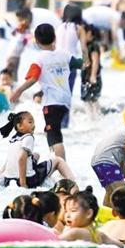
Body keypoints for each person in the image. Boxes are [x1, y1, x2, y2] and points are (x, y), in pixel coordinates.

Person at [11, 24, 79, 160]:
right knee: (49, 131)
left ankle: (62, 167)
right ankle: (54, 161)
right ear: (54, 37)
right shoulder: (65, 55)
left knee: (54, 134)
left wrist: (18, 90)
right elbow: (80, 64)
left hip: (52, 102)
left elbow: (33, 78)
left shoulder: (39, 59)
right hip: (65, 101)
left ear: (37, 41)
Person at [0, 111, 76, 188]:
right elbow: (21, 158)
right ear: (20, 126)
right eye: (30, 122)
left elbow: (9, 159)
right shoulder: (28, 137)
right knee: (58, 160)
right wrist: (23, 183)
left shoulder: (13, 139)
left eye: (33, 122)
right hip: (28, 180)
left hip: (8, 180)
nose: (34, 125)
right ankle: (73, 184)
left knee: (36, 155)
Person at [59, 186, 124, 248]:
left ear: (88, 214)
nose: (67, 215)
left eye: (73, 210)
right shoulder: (98, 234)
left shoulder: (75, 233)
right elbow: (120, 245)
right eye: (66, 211)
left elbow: (55, 243)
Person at [57, 3, 88, 99]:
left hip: (57, 60)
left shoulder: (59, 27)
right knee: (68, 91)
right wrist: (86, 61)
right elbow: (84, 48)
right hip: (71, 61)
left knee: (58, 88)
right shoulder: (79, 28)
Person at [81, 23, 102, 119]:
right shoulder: (86, 46)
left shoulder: (93, 46)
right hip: (87, 77)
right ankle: (93, 118)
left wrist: (93, 75)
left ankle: (94, 118)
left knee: (91, 99)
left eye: (82, 34)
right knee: (88, 99)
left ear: (89, 33)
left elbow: (95, 61)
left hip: (92, 77)